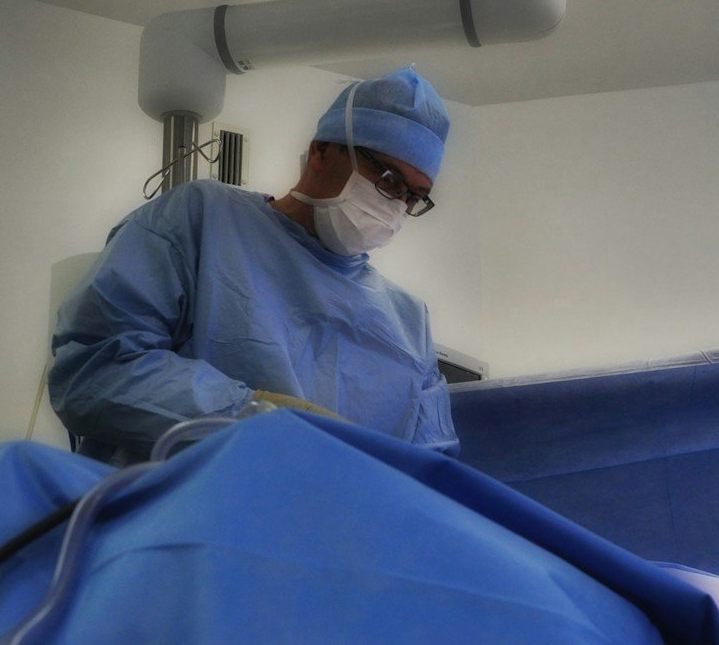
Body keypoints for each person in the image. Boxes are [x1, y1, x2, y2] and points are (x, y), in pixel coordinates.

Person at [49, 67, 459, 464]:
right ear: (321, 151)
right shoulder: (202, 219)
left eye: (413, 197)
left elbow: (432, 474)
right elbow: (96, 373)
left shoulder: (409, 324)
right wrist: (259, 420)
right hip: (176, 516)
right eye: (387, 179)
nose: (395, 205)